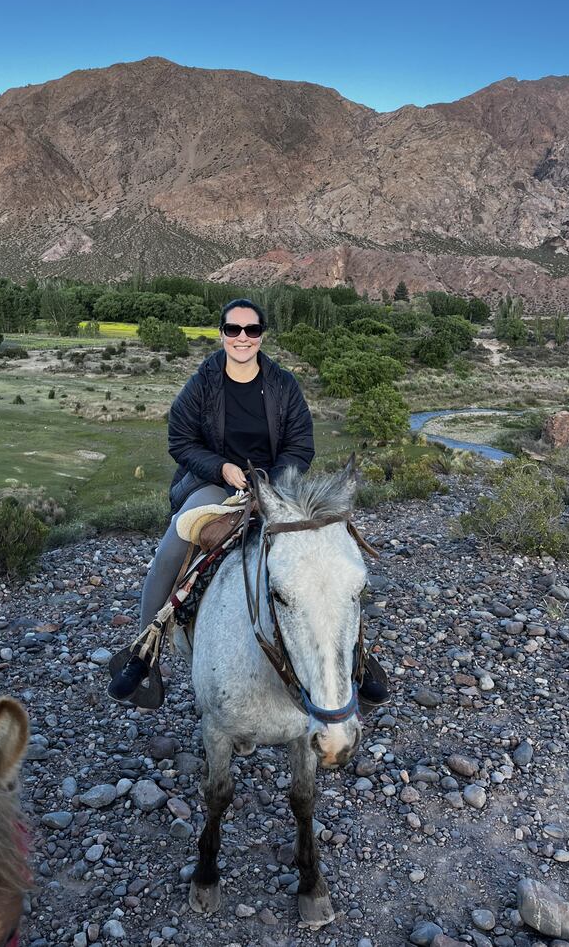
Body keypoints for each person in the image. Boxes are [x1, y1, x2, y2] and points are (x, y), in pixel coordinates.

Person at [108, 298, 388, 708]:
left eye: (251, 330)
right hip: (215, 483)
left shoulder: (283, 384)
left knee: (330, 552)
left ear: (261, 335)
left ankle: (358, 658)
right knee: (179, 534)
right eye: (233, 329)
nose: (242, 338)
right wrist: (221, 467)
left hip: (277, 484)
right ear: (222, 333)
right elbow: (180, 441)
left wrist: (271, 485)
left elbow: (300, 445)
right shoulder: (202, 383)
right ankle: (144, 651)